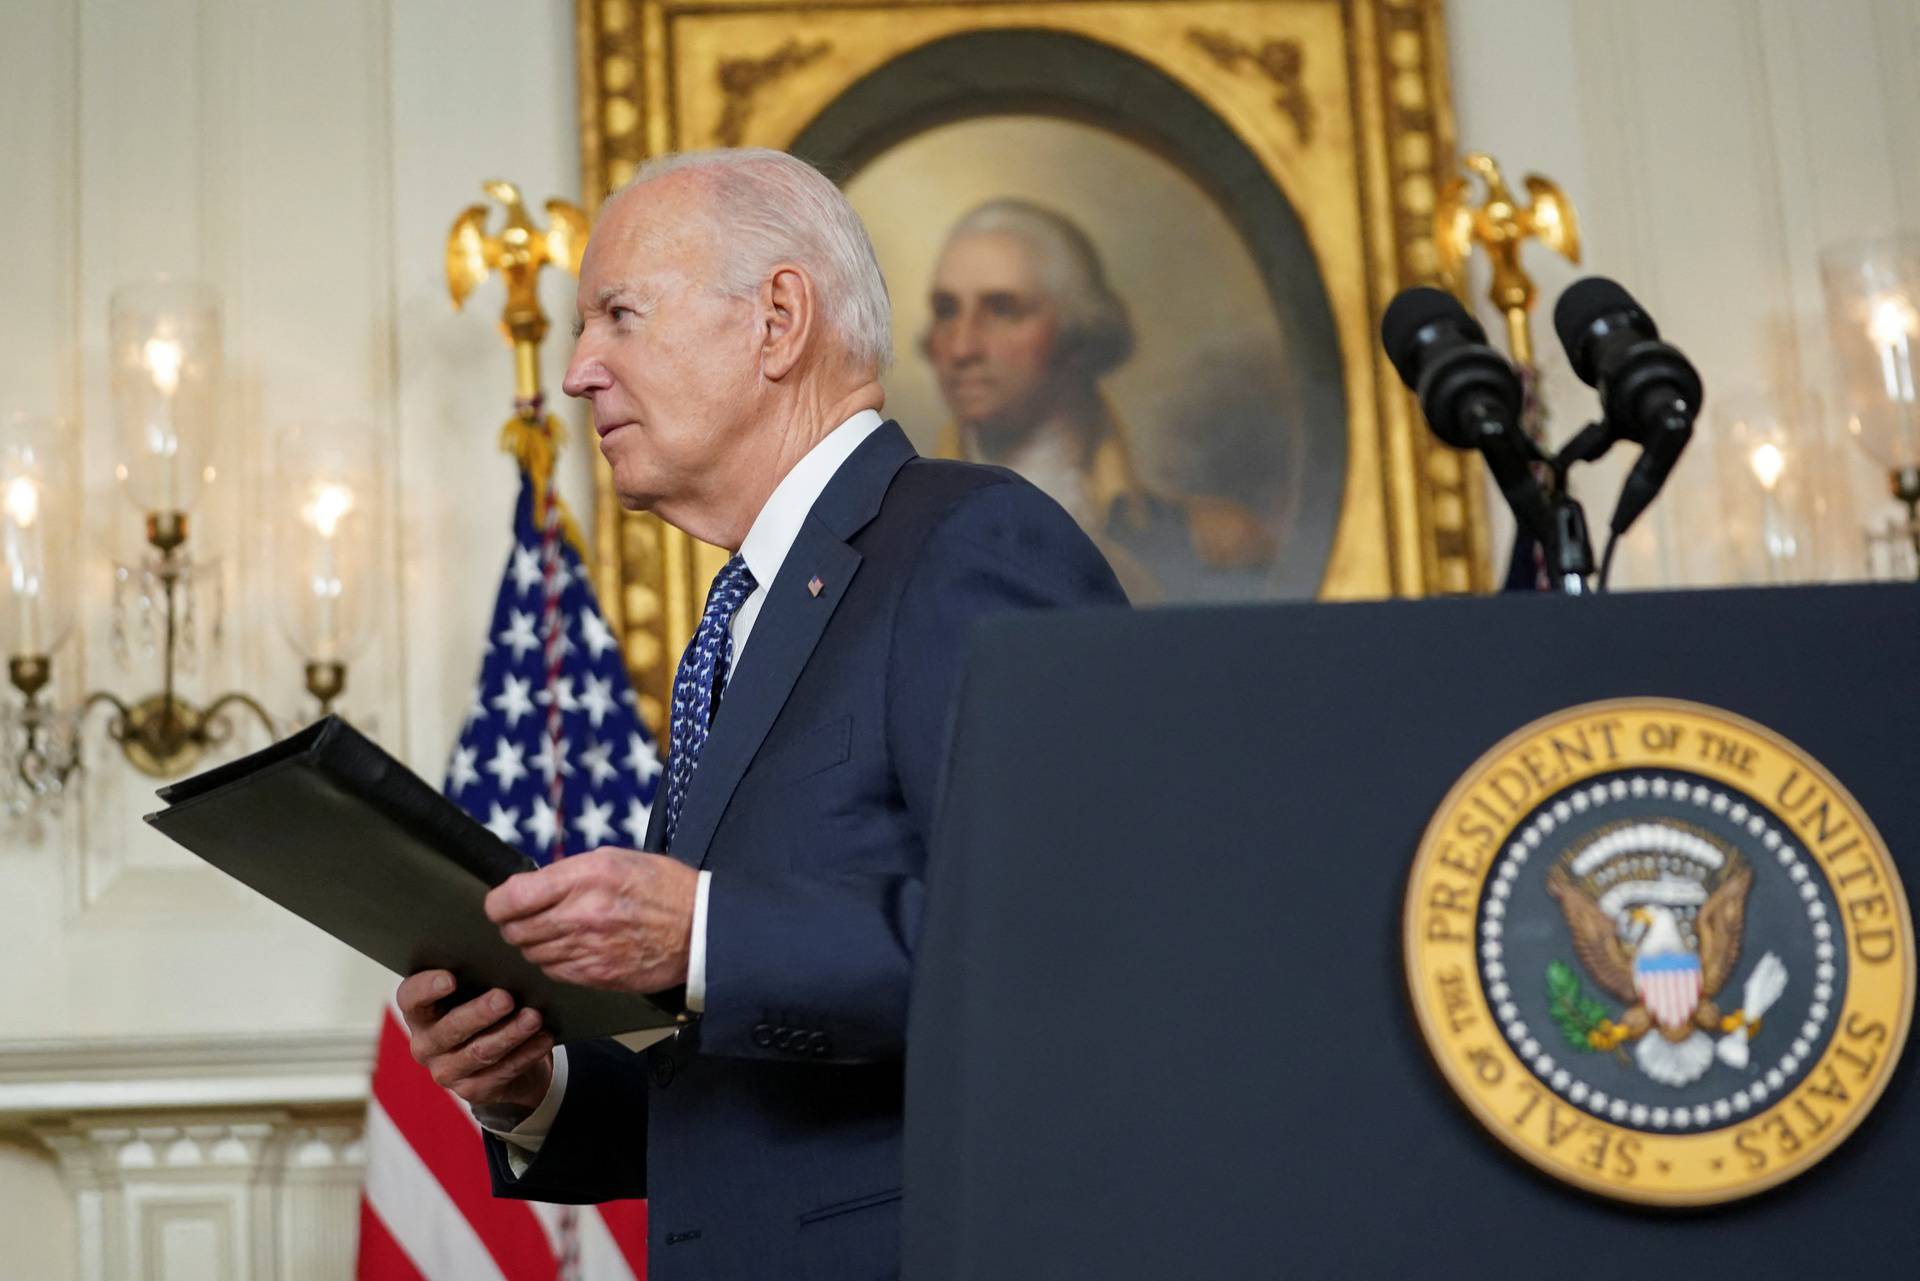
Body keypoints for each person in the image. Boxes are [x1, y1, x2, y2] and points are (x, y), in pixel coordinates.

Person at [394, 149, 1128, 1279]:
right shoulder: (750, 611)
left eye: (619, 316)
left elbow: (1068, 949)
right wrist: (531, 1089)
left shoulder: (970, 540)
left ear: (779, 320)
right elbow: (742, 1076)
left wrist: (704, 935)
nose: (580, 368)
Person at [923, 197, 1278, 603]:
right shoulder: (896, 536)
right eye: (946, 311)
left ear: (1077, 333)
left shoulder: (1216, 544)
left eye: (1004, 310)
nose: (963, 347)